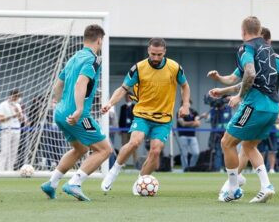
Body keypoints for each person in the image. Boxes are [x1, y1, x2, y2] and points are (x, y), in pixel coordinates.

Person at [207, 17, 279, 203]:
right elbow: (244, 79)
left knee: (227, 142)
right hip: (272, 107)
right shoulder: (268, 50)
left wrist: (240, 96)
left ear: (243, 32)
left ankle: (233, 188)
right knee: (249, 146)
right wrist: (222, 88)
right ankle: (266, 186)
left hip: (255, 105)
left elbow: (250, 74)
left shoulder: (246, 48)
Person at [101, 38, 190, 194]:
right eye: (153, 54)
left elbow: (185, 85)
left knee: (156, 151)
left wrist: (185, 104)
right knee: (135, 142)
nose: (156, 58)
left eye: (159, 55)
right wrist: (110, 103)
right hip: (142, 114)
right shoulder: (138, 68)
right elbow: (123, 89)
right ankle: (113, 172)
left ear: (165, 52)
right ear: (148, 51)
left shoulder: (175, 67)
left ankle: (140, 182)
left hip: (163, 118)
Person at [40, 25, 113, 201]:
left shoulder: (73, 58)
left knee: (80, 148)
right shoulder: (94, 59)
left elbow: (58, 84)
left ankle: (51, 183)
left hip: (60, 113)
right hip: (79, 115)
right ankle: (75, 183)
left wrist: (59, 104)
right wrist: (79, 109)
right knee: (105, 150)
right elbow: (81, 82)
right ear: (99, 40)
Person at [0, 89, 25, 171]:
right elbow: (1, 119)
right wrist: (13, 115)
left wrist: (18, 113)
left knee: (14, 152)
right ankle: (0, 170)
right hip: (7, 130)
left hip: (17, 130)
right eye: (16, 96)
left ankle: (10, 169)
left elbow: (21, 119)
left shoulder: (18, 105)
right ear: (12, 96)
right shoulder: (3, 105)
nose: (17, 98)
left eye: (18, 96)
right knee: (5, 151)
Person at [177, 99, 202, 171]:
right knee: (184, 154)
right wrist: (193, 122)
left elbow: (198, 123)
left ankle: (191, 167)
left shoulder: (194, 112)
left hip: (192, 136)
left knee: (196, 153)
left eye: (188, 103)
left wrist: (190, 123)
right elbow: (183, 123)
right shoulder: (180, 112)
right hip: (183, 135)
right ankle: (185, 168)